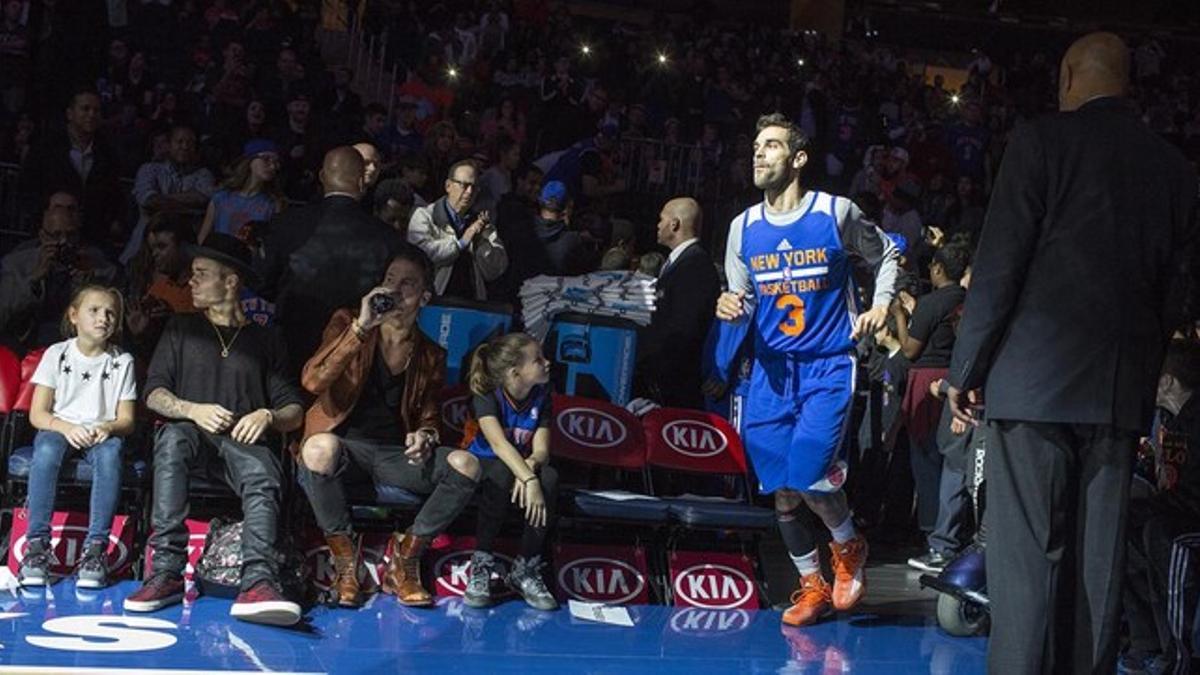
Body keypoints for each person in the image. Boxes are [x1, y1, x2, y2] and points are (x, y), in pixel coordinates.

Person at [945, 33, 1198, 674]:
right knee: (1099, 565)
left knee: (1027, 559)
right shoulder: (1175, 169)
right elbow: (1182, 292)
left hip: (1030, 386)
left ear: (1066, 77)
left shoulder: (1040, 142)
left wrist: (965, 370)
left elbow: (999, 266)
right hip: (1117, 394)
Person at [714, 113, 899, 627]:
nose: (758, 153)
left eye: (770, 145)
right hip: (769, 374)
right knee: (781, 488)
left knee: (810, 475)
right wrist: (730, 304)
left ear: (797, 159)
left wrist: (881, 303)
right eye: (755, 145)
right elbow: (742, 295)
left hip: (827, 366)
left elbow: (889, 254)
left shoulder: (835, 212)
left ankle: (849, 544)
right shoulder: (741, 228)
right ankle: (812, 584)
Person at [125, 234, 306, 626]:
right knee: (171, 439)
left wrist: (268, 417)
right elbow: (153, 393)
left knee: (264, 472)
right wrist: (192, 409)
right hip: (192, 437)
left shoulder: (265, 338)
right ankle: (167, 573)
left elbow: (294, 407)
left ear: (231, 281)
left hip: (241, 444)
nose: (191, 281)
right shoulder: (181, 327)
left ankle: (258, 581)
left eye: (201, 274)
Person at [298, 246, 481, 607]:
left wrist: (425, 436)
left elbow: (430, 416)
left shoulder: (431, 354)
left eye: (407, 284)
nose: (395, 291)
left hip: (394, 456)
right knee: (318, 449)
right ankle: (346, 566)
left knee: (467, 466)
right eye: (389, 281)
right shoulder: (347, 322)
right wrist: (361, 328)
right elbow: (312, 382)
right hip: (344, 448)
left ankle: (406, 558)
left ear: (424, 297)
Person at [20, 285, 136, 588]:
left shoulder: (122, 361)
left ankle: (96, 549)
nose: (104, 318)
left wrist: (107, 428)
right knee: (45, 451)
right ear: (74, 316)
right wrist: (67, 428)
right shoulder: (56, 354)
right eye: (94, 310)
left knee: (111, 455)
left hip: (101, 432)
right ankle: (36, 547)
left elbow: (126, 420)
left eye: (111, 313)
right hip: (61, 428)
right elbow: (38, 415)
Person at [259, 146, 404, 374]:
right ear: (360, 182)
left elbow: (265, 284)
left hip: (290, 345)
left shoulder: (284, 224)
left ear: (322, 177)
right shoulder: (387, 237)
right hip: (352, 356)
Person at [459, 332, 560, 611]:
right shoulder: (486, 394)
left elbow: (541, 449)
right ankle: (480, 563)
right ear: (516, 372)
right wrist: (528, 479)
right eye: (538, 359)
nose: (547, 363)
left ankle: (525, 568)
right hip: (484, 463)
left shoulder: (543, 395)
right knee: (503, 474)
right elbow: (498, 444)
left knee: (549, 478)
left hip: (519, 465)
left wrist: (531, 467)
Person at [1122, 340, 1200, 674]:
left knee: (1164, 535)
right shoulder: (1165, 418)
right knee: (1119, 525)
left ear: (1167, 381)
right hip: (1172, 507)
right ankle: (1146, 640)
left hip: (1191, 517)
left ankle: (1180, 657)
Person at [892, 242, 971, 572]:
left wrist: (899, 316)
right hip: (960, 380)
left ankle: (934, 537)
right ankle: (954, 533)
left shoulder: (931, 303)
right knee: (955, 461)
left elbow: (909, 349)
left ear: (938, 269)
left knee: (926, 461)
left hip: (929, 383)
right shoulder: (968, 302)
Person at [638, 197, 721, 409]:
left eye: (661, 219)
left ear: (674, 224)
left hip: (677, 385)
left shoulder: (695, 265)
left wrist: (657, 365)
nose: (657, 225)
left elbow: (684, 328)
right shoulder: (679, 262)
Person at [0, 204, 119, 348]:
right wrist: (34, 279)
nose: (63, 242)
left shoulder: (100, 268)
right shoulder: (16, 264)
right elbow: (4, 312)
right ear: (43, 236)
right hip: (24, 346)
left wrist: (89, 286)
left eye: (70, 235)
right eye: (56, 236)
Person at [407, 160, 508, 301]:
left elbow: (496, 270)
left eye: (474, 187)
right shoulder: (425, 216)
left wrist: (480, 243)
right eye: (464, 185)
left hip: (471, 301)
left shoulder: (481, 222)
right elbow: (419, 257)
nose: (469, 192)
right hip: (434, 300)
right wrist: (461, 243)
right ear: (448, 186)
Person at [122, 125, 216, 264]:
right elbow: (149, 201)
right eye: (180, 142)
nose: (185, 147)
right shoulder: (149, 169)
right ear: (168, 145)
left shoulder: (204, 175)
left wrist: (162, 200)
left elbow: (203, 199)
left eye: (190, 143)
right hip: (142, 250)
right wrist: (189, 207)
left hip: (183, 256)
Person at [197, 139, 284, 244]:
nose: (273, 166)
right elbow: (202, 240)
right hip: (219, 255)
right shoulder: (220, 198)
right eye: (266, 159)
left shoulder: (273, 204)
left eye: (276, 162)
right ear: (250, 160)